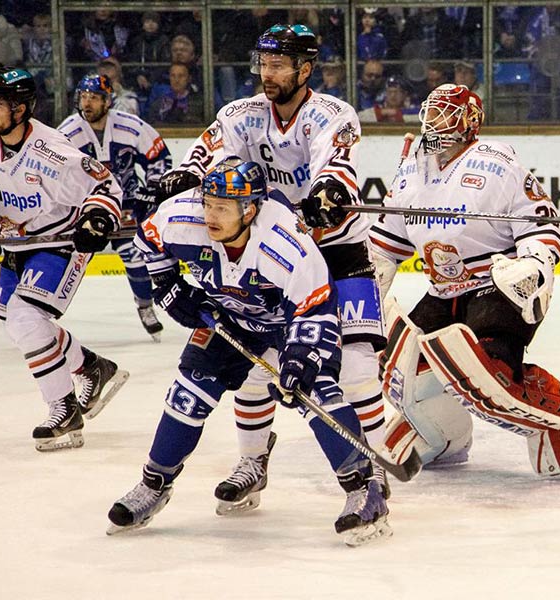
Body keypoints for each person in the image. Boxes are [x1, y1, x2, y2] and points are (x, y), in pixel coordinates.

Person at [153, 23, 388, 514]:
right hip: (269, 257)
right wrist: (184, 177)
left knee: (358, 367)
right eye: (264, 63)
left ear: (305, 69)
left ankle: (372, 465)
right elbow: (207, 158)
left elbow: (337, 166)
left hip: (336, 251)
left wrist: (330, 194)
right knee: (255, 364)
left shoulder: (332, 115)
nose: (268, 73)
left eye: (279, 64)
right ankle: (252, 464)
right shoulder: (240, 115)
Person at [107, 157, 390, 546]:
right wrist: (168, 285)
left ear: (250, 209)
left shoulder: (283, 241)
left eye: (222, 207)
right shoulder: (184, 217)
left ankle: (364, 487)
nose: (210, 214)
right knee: (188, 392)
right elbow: (148, 239)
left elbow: (316, 305)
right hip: (231, 315)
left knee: (316, 390)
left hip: (288, 321)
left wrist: (299, 359)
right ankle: (154, 484)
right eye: (208, 203)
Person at [370, 83, 560, 476]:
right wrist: (369, 278)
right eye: (431, 113)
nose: (433, 122)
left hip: (495, 286)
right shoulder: (412, 166)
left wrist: (533, 265)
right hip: (443, 290)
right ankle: (443, 435)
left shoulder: (497, 163)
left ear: (468, 122)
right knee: (398, 367)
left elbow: (543, 225)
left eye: (444, 114)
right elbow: (387, 240)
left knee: (488, 375)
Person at [0, 67, 129, 452]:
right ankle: (91, 367)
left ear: (20, 109)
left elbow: (105, 186)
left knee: (25, 316)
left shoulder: (52, 151)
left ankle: (63, 408)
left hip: (61, 242)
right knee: (17, 324)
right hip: (18, 246)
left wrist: (97, 217)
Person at [58, 74, 172, 341]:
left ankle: (145, 307)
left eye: (94, 98)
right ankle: (43, 314)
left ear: (107, 101)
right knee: (70, 260)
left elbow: (158, 157)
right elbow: (54, 174)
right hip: (85, 207)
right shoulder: (66, 133)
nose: (87, 103)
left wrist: (150, 190)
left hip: (127, 204)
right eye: (84, 97)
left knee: (134, 256)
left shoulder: (130, 126)